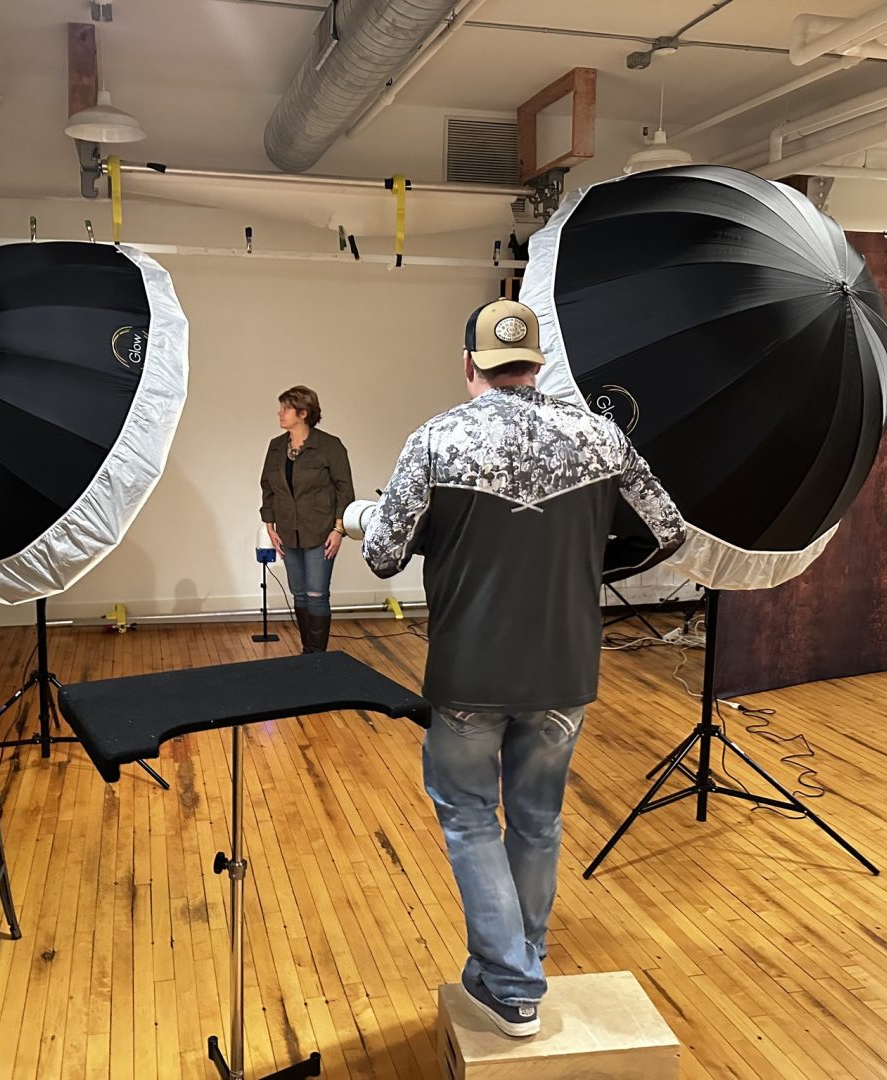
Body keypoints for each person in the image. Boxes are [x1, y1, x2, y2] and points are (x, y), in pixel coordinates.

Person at [361, 300, 685, 1038]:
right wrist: (584, 569)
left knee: (470, 817)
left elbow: (383, 554)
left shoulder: (438, 439)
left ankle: (511, 985)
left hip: (469, 672)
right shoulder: (599, 435)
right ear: (539, 364)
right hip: (566, 666)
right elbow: (665, 530)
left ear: (468, 365)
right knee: (538, 821)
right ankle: (521, 962)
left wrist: (365, 518)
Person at [260, 385, 355, 653]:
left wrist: (339, 530)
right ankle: (307, 651)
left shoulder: (330, 446)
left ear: (303, 412)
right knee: (299, 593)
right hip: (288, 532)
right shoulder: (276, 447)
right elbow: (268, 486)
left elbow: (344, 490)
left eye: (285, 408)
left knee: (316, 594)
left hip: (321, 532)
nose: (279, 413)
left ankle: (318, 656)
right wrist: (270, 525)